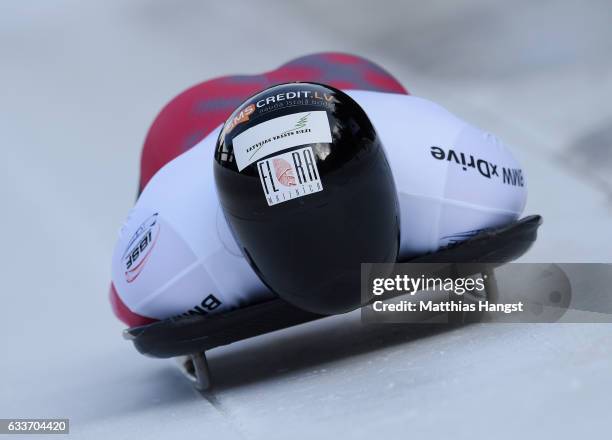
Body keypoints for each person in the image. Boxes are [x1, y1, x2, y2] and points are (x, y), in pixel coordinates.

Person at [110, 53, 526, 326]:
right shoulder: (170, 256)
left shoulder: (464, 179)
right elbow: (127, 303)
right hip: (192, 130)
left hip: (358, 88)